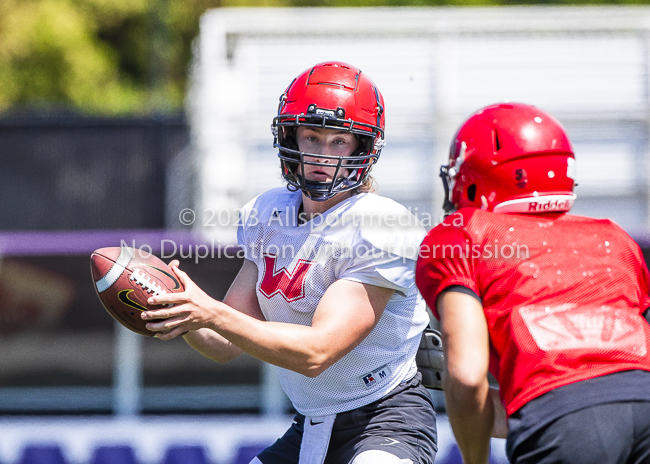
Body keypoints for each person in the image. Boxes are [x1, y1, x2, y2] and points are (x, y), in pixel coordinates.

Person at [142, 61, 437, 464]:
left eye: (339, 141)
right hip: (311, 424)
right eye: (312, 136)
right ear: (290, 138)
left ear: (364, 149)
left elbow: (317, 353)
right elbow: (224, 343)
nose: (322, 154)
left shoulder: (379, 226)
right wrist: (183, 310)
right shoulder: (267, 214)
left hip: (384, 420)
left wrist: (209, 311)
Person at [415, 102, 650, 464]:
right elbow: (603, 393)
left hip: (563, 422)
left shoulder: (463, 234)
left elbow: (467, 377)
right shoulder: (615, 239)